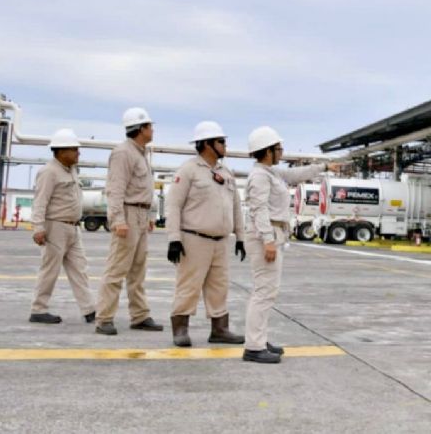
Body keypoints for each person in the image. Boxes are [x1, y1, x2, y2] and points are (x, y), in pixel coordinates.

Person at [242, 126, 333, 364]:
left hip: (273, 233)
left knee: (267, 291)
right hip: (266, 235)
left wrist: (322, 167)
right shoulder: (260, 176)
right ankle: (254, 346)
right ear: (268, 151)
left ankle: (258, 338)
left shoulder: (271, 173)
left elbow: (295, 175)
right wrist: (268, 240)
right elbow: (258, 208)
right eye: (279, 148)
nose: (282, 151)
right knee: (264, 292)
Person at [165, 121, 246, 347]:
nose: (225, 146)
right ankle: (180, 328)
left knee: (219, 287)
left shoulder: (226, 173)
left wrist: (240, 237)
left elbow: (236, 207)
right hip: (194, 239)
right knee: (188, 286)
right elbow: (173, 206)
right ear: (207, 144)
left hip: (220, 241)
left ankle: (220, 329)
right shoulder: (189, 170)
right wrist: (174, 239)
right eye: (221, 142)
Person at [95, 107, 163, 335]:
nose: (153, 129)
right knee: (117, 268)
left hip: (141, 215)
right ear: (140, 129)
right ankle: (104, 318)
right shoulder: (123, 153)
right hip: (128, 214)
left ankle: (140, 315)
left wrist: (151, 215)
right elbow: (115, 189)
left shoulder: (141, 153)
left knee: (138, 270)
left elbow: (146, 189)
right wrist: (118, 220)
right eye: (150, 126)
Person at [28, 129, 95, 324]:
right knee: (50, 269)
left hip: (73, 228)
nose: (78, 153)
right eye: (74, 149)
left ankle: (89, 309)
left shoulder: (72, 170)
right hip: (55, 227)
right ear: (60, 151)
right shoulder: (48, 172)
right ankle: (38, 309)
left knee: (80, 269)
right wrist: (38, 228)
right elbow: (40, 202)